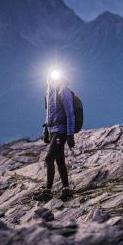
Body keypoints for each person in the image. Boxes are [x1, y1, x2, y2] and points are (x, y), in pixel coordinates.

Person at [37, 71, 76, 201]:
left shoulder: (63, 91)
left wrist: (70, 135)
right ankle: (66, 190)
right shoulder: (49, 92)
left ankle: (48, 192)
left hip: (62, 130)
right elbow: (48, 114)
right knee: (59, 160)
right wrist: (46, 132)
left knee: (49, 159)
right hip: (53, 130)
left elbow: (70, 114)